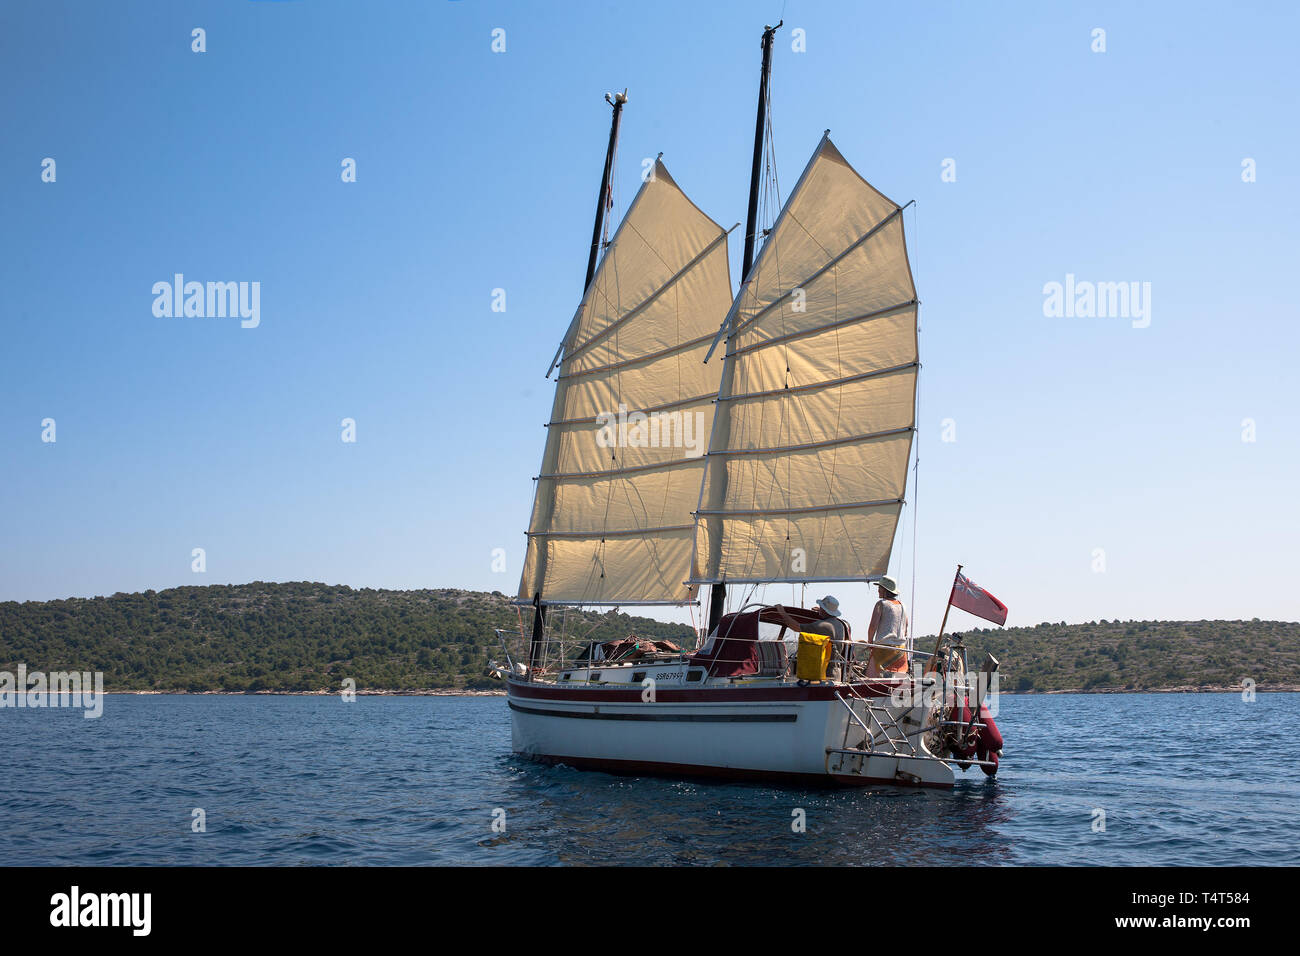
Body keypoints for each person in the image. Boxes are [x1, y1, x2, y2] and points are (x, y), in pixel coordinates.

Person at [770, 596, 848, 680]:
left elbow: (796, 627)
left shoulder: (822, 626)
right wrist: (821, 611)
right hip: (836, 673)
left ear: (824, 610)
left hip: (823, 674)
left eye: (822, 607)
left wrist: (782, 613)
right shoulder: (840, 625)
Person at [867, 576, 909, 678]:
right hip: (900, 650)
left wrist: (870, 642)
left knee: (871, 679)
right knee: (897, 682)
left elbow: (873, 626)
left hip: (883, 649)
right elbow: (906, 627)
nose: (878, 590)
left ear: (885, 590)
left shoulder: (881, 604)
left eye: (880, 588)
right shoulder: (902, 605)